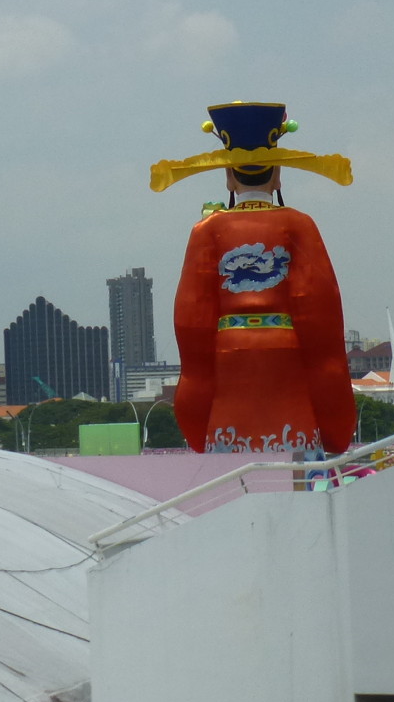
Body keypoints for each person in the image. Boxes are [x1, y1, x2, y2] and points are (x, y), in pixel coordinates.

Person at [150, 101, 356, 453]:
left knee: (228, 457)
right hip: (287, 354)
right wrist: (337, 426)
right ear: (278, 175)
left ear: (228, 177)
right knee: (296, 449)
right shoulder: (299, 224)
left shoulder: (206, 229)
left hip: (228, 354)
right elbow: (323, 329)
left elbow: (192, 327)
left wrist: (195, 419)